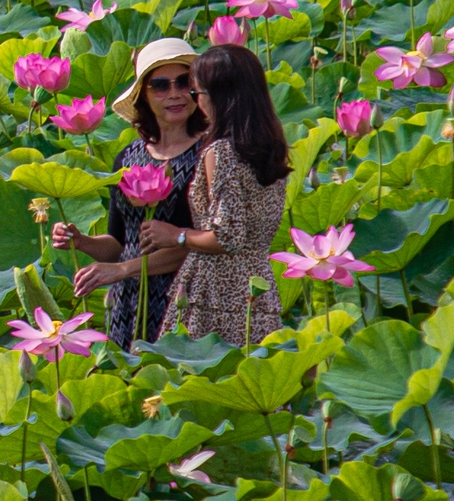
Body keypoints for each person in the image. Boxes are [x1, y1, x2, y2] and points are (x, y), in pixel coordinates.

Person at [48, 36, 202, 347]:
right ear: (144, 95)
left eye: (183, 82)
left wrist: (121, 270)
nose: (175, 94)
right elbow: (121, 242)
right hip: (128, 304)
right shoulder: (129, 158)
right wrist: (82, 241)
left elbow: (201, 244)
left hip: (185, 299)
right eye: (161, 85)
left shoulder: (210, 154)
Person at [148, 42, 293, 346]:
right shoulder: (268, 148)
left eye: (196, 93)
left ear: (217, 98)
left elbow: (227, 237)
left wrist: (176, 235)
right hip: (256, 286)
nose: (195, 101)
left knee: (202, 379)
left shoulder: (222, 152)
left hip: (216, 290)